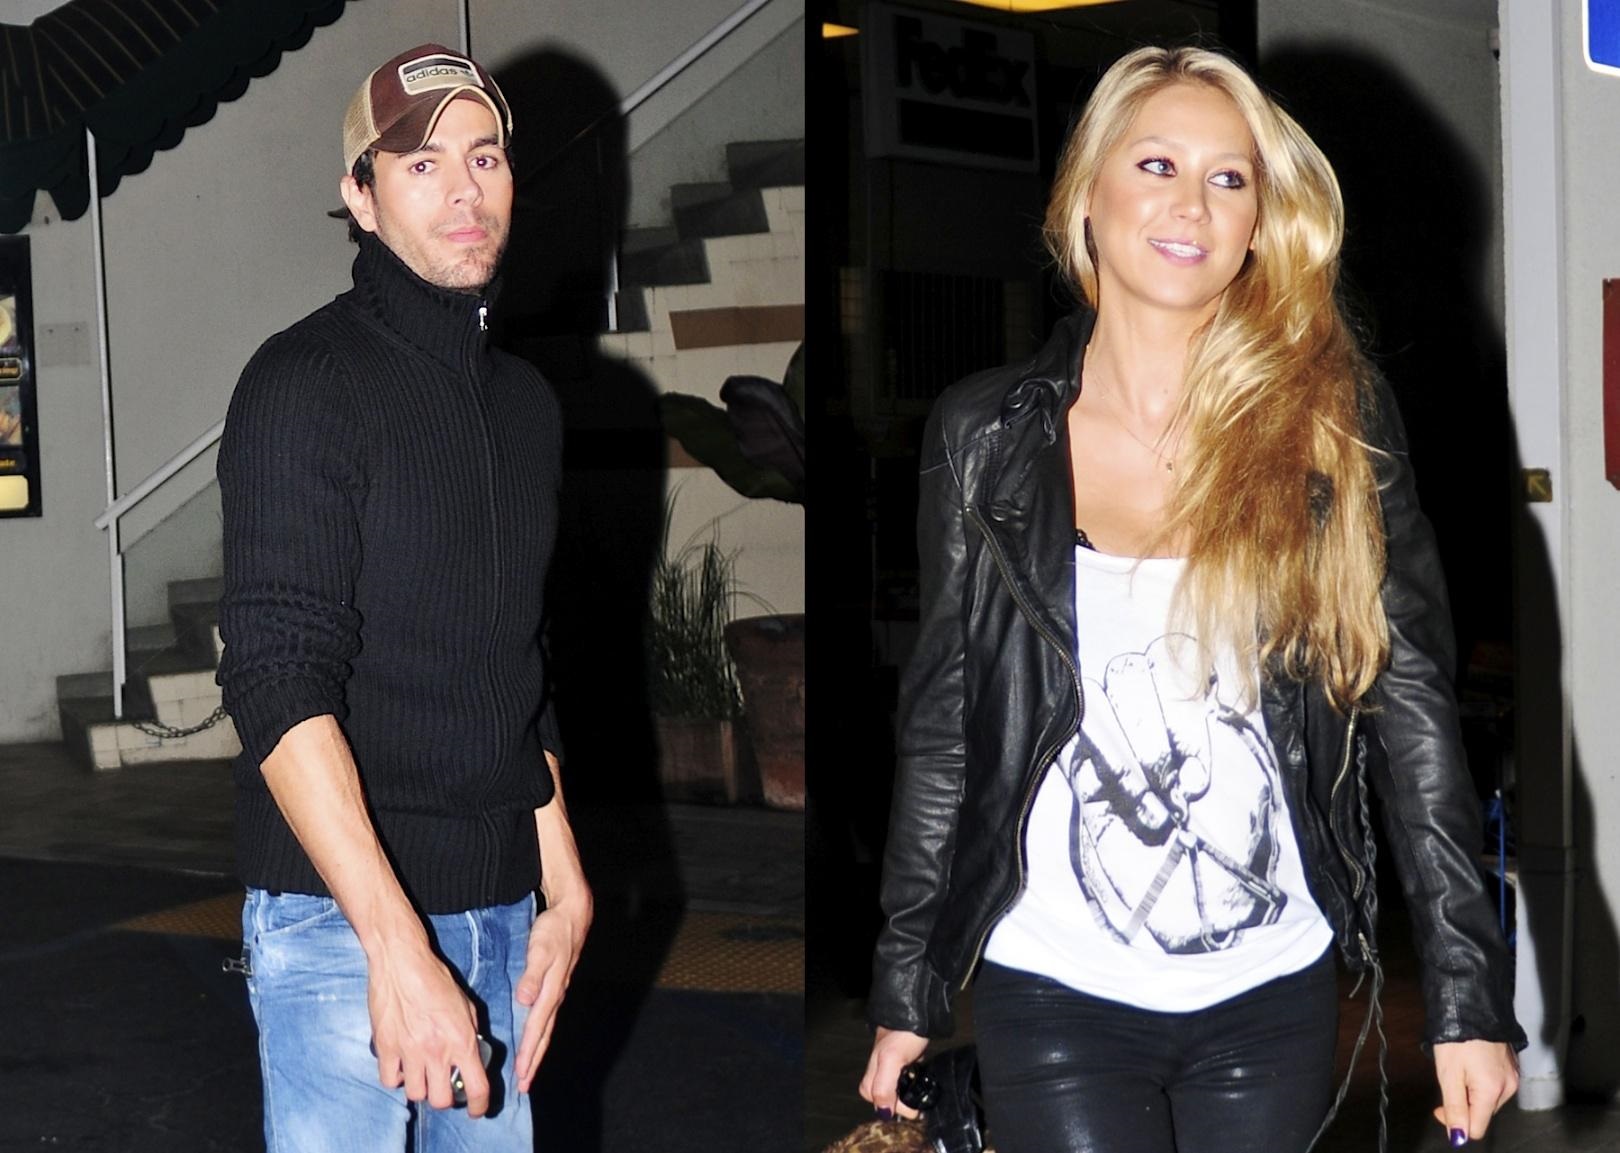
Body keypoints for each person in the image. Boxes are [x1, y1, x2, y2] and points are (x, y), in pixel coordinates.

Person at [859, 46, 1523, 1153]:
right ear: (1087, 195)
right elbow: (943, 729)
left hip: (1273, 984)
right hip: (1054, 976)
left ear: (1261, 221)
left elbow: (1412, 711)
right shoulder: (986, 435)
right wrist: (908, 985)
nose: (1192, 204)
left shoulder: (1333, 425)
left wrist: (1466, 997)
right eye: (1158, 164)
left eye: (1229, 178)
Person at [216, 42, 591, 1151]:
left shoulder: (526, 405)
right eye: (421, 164)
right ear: (361, 197)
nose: (464, 190)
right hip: (341, 926)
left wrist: (564, 880)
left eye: (485, 157)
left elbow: (519, 660)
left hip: (501, 913)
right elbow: (276, 679)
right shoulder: (303, 383)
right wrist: (394, 946)